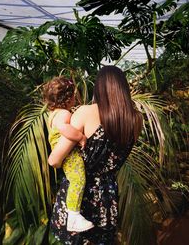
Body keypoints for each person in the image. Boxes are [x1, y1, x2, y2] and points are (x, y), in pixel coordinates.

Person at [48, 66, 143, 244]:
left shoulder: (85, 112)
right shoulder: (136, 119)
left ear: (99, 88)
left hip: (78, 198)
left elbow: (54, 159)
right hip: (108, 196)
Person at [42, 76, 94, 232]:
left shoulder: (53, 114)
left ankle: (73, 215)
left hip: (63, 154)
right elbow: (64, 128)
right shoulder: (64, 114)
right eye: (73, 96)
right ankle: (73, 217)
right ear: (67, 98)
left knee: (74, 180)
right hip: (69, 154)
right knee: (78, 180)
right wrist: (80, 137)